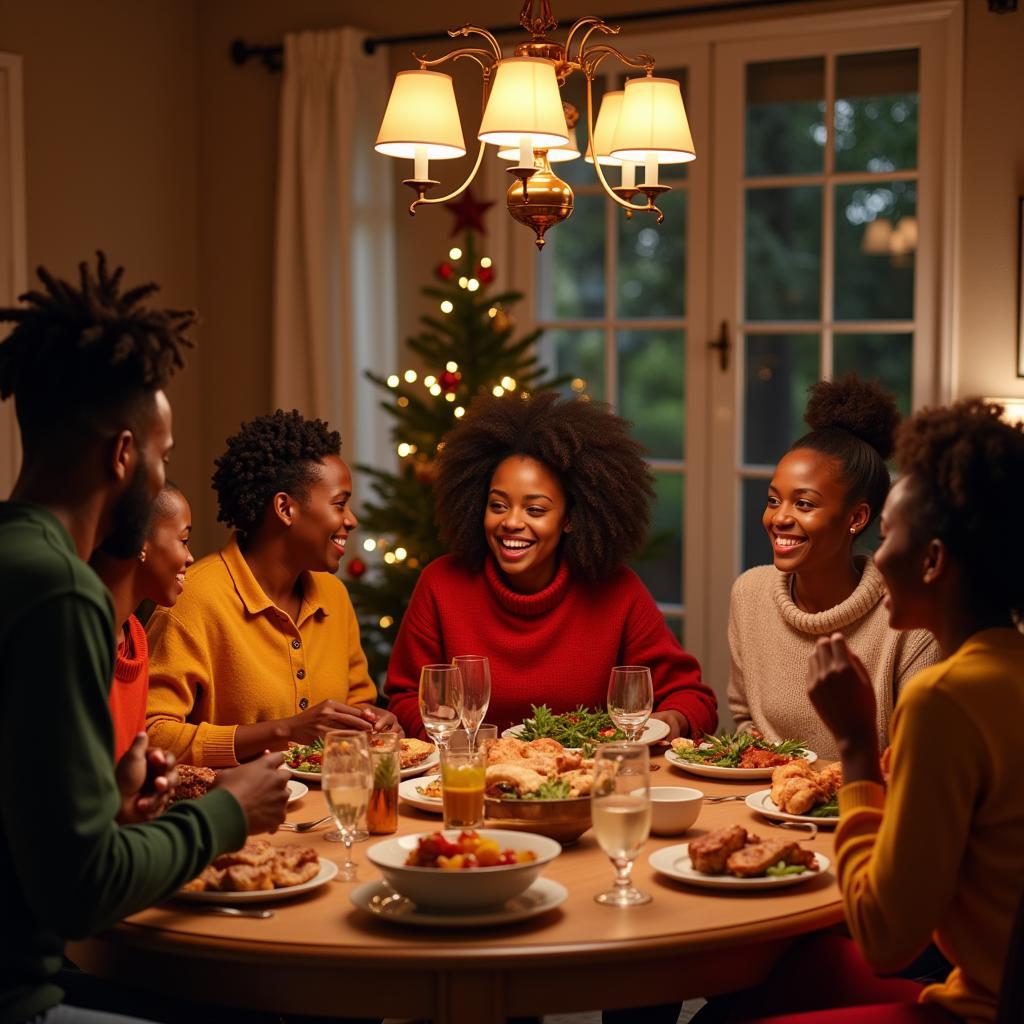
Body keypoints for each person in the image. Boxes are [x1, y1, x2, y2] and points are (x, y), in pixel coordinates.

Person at [0, 254, 289, 1024]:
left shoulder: (16, 556)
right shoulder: (62, 591)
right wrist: (229, 810)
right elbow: (80, 893)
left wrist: (116, 804)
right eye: (160, 456)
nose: (162, 474)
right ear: (123, 455)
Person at [708, 398, 1024, 1024]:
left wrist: (855, 743)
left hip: (973, 1007)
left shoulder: (944, 699)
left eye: (892, 537)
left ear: (931, 561)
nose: (877, 559)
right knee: (767, 986)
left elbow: (885, 939)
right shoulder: (1009, 667)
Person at [385, 391, 717, 741]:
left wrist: (667, 723)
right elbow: (406, 697)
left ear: (571, 518)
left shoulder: (617, 591)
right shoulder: (441, 584)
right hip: (471, 781)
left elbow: (694, 700)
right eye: (498, 505)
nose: (511, 522)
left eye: (535, 510)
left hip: (584, 782)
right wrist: (460, 746)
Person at [146, 409, 399, 767]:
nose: (351, 520)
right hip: (236, 816)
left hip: (332, 809)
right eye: (340, 504)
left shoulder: (334, 596)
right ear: (285, 508)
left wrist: (372, 720)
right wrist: (283, 732)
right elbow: (152, 735)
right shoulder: (192, 600)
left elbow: (357, 700)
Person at [728, 375, 938, 759]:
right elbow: (745, 720)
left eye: (804, 504)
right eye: (774, 500)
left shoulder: (909, 619)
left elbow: (916, 760)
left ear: (856, 517)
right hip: (764, 800)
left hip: (866, 809)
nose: (779, 518)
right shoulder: (750, 594)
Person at [92, 482, 194, 766]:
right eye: (184, 540)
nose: (190, 557)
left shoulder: (135, 635)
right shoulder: (81, 642)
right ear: (140, 543)